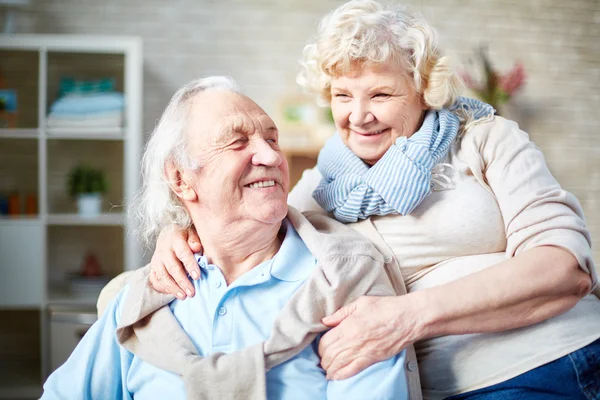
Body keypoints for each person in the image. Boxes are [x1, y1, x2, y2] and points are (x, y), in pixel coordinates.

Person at [149, 1, 600, 399]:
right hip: (429, 387)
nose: (358, 116)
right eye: (342, 96)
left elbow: (565, 269)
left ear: (423, 90)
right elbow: (244, 224)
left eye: (381, 94)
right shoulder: (319, 187)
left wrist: (409, 316)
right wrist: (180, 232)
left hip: (552, 362)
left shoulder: (484, 139)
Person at [41, 76, 409, 399]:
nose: (270, 155)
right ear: (182, 180)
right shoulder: (144, 299)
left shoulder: (343, 280)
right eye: (237, 142)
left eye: (272, 138)